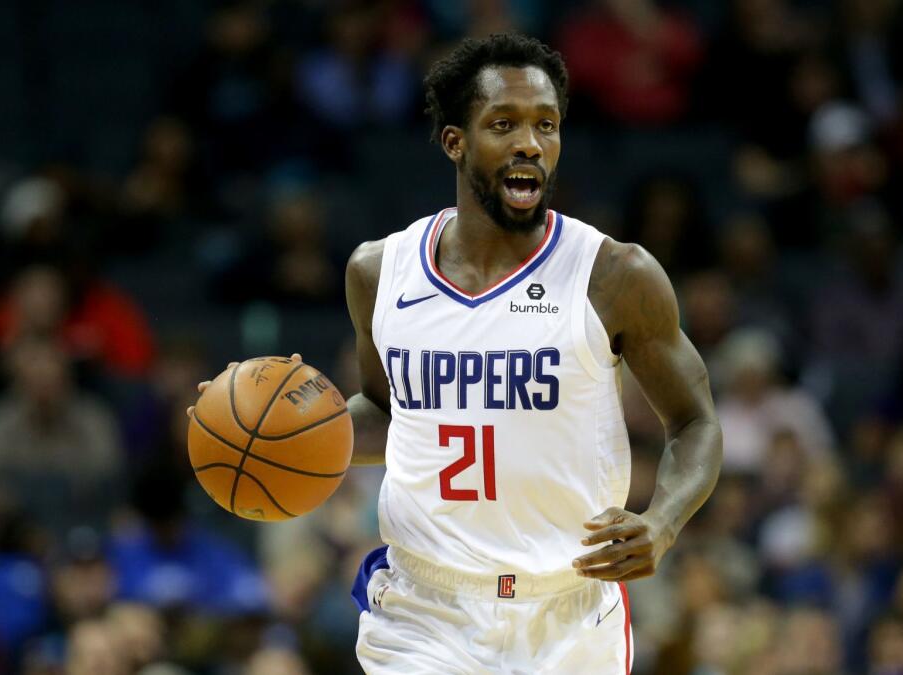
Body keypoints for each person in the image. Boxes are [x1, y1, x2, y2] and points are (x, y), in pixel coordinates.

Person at [189, 33, 722, 673]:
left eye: (546, 125)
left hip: (569, 611)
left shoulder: (614, 276)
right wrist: (274, 431)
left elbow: (696, 423)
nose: (531, 142)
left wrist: (662, 521)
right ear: (455, 142)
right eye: (504, 124)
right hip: (425, 610)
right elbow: (392, 415)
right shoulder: (379, 271)